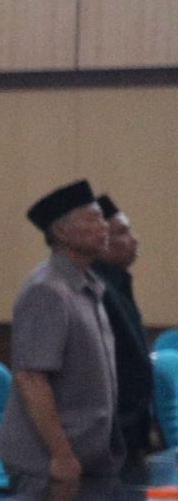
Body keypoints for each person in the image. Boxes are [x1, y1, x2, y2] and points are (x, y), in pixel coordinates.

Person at [0, 181, 121, 484]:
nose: (104, 227)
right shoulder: (47, 290)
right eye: (93, 219)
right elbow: (31, 377)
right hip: (49, 464)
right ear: (62, 231)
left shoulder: (87, 286)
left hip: (88, 456)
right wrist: (61, 453)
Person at [95, 195, 153, 455]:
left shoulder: (119, 284)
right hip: (111, 430)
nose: (135, 240)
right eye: (123, 232)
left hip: (131, 429)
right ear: (101, 241)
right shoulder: (96, 289)